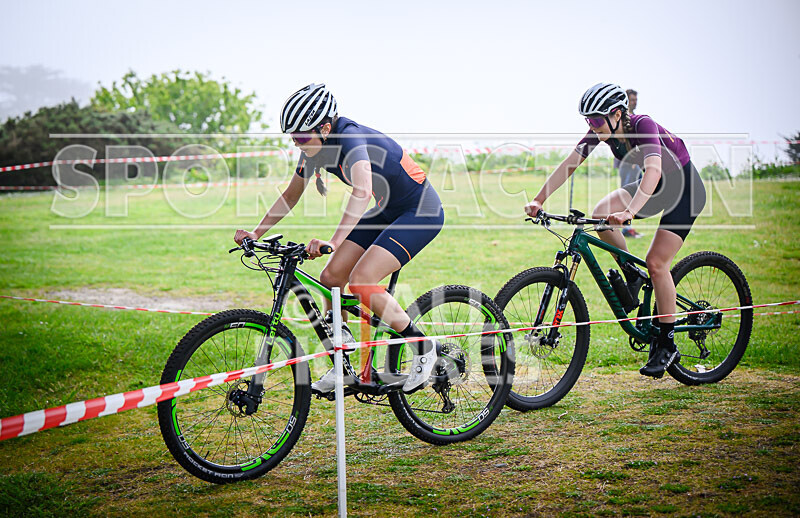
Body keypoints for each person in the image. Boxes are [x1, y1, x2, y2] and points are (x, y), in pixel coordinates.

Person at [234, 83, 445, 393]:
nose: (297, 143)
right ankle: (343, 367)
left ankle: (425, 347)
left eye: (302, 136)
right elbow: (291, 196)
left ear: (326, 127)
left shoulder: (351, 139)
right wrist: (256, 232)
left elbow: (361, 191)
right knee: (332, 276)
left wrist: (332, 241)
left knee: (361, 279)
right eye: (293, 138)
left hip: (420, 210)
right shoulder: (315, 149)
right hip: (387, 207)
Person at [524, 83, 706, 378]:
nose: (592, 127)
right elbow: (569, 164)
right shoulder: (603, 131)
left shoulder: (642, 125)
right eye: (588, 122)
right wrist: (539, 198)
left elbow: (654, 170)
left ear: (617, 114)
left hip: (685, 190)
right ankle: (631, 276)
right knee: (600, 214)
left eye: (596, 120)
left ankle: (667, 342)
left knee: (657, 263)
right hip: (658, 189)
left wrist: (630, 212)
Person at [615, 88, 643, 238]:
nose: (635, 102)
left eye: (636, 100)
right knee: (627, 194)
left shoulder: (634, 118)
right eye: (632, 100)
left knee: (633, 195)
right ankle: (625, 229)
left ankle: (628, 227)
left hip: (635, 164)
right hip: (628, 164)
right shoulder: (622, 119)